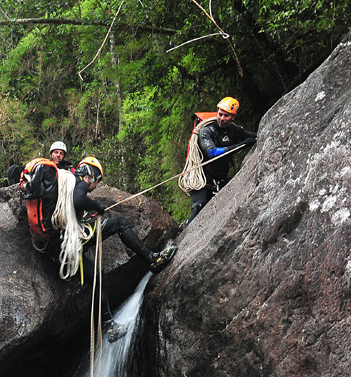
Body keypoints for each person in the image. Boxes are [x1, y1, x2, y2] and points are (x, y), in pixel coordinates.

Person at [29, 156, 177, 276]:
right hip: (66, 242)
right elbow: (78, 199)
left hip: (56, 244)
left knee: (97, 277)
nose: (96, 187)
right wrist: (97, 207)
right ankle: (152, 259)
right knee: (119, 222)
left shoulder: (65, 182)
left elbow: (73, 206)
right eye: (97, 181)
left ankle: (105, 314)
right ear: (92, 176)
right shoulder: (79, 182)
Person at [187, 96, 257, 224]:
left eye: (226, 116)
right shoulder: (206, 131)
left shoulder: (235, 130)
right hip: (202, 179)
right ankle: (182, 236)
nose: (222, 118)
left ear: (233, 117)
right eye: (220, 114)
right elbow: (212, 152)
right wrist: (240, 145)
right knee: (199, 205)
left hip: (221, 178)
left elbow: (254, 136)